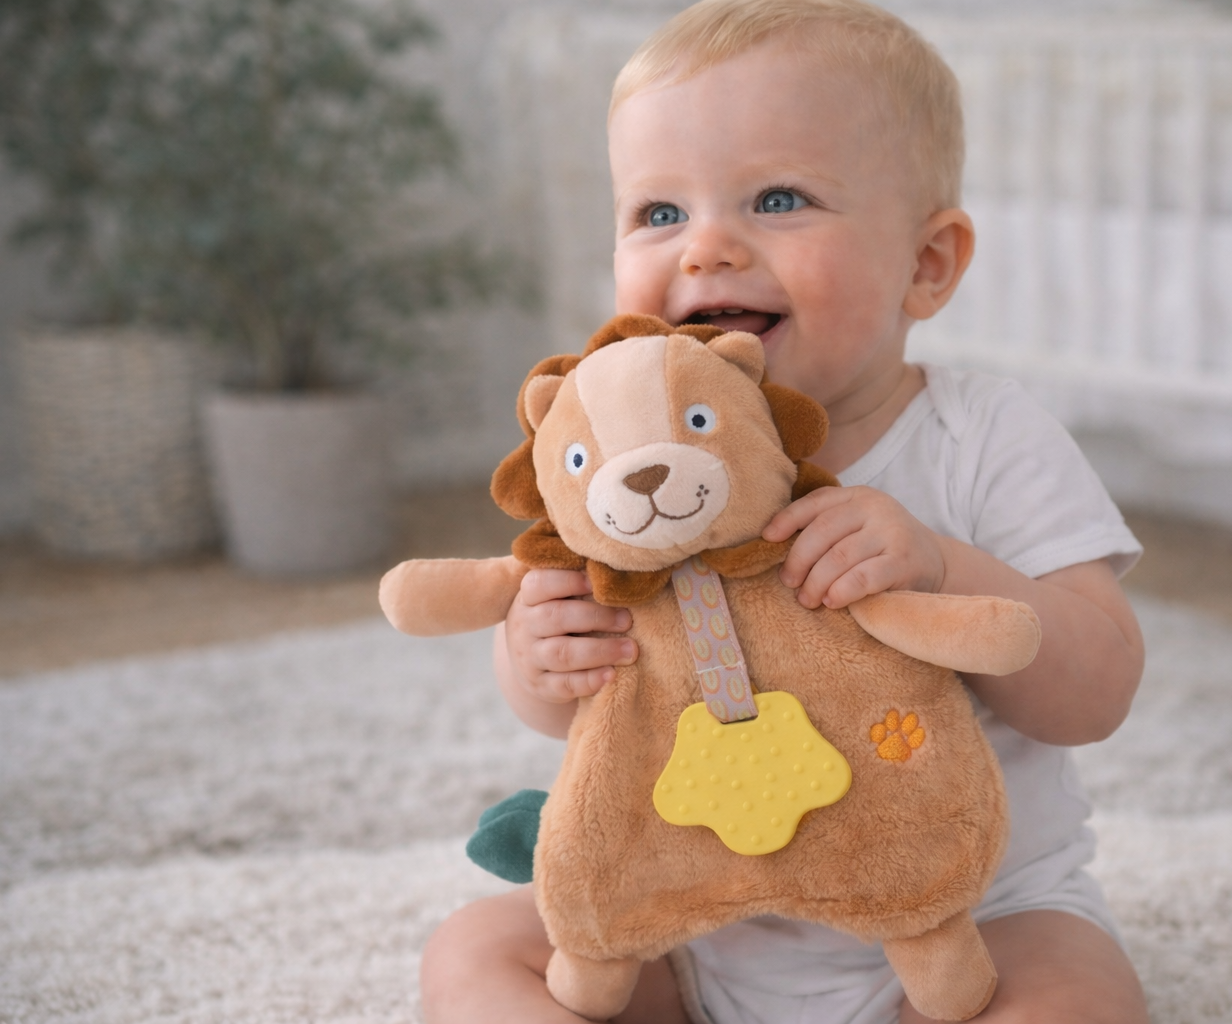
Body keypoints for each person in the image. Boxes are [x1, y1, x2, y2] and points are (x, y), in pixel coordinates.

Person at [421, 1, 1149, 1020]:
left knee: (1074, 999)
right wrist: (538, 657)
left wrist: (942, 566)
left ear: (926, 264)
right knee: (474, 953)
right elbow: (577, 710)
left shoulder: (983, 436)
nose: (706, 248)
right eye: (659, 213)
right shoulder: (626, 460)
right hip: (683, 921)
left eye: (777, 198)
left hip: (967, 919)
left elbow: (1098, 689)